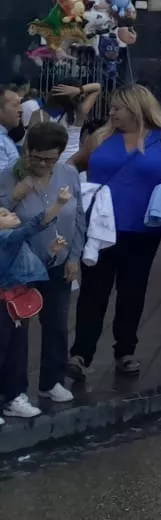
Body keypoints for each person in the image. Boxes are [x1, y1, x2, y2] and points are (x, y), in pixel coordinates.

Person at [68, 85, 161, 379]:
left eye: (117, 108)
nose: (111, 113)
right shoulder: (101, 138)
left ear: (136, 108)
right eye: (111, 108)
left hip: (143, 229)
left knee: (133, 290)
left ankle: (125, 350)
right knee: (93, 291)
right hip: (98, 229)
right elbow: (72, 166)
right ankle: (81, 353)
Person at [2, 121, 82, 405]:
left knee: (57, 324)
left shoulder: (68, 173)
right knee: (17, 332)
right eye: (37, 158)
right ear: (27, 151)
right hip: (20, 268)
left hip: (58, 261)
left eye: (51, 159)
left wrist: (74, 256)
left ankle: (52, 381)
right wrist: (16, 194)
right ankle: (15, 391)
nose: (44, 164)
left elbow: (79, 215)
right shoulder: (8, 176)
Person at [0, 184, 74, 420]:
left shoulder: (15, 241)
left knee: (17, 351)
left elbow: (31, 266)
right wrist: (59, 204)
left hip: (17, 303)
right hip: (4, 304)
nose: (12, 214)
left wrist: (51, 251)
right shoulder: (6, 238)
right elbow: (34, 225)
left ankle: (14, 397)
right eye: (4, 215)